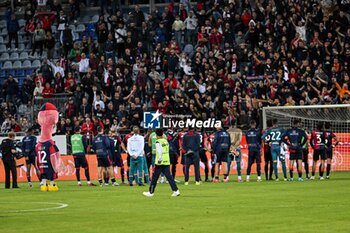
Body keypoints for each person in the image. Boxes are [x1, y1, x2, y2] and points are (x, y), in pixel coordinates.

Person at [143, 128, 180, 197]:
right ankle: (176, 190)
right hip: (166, 161)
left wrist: (159, 161)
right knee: (169, 177)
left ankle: (151, 192)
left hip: (160, 162)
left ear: (156, 135)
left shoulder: (158, 142)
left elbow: (159, 152)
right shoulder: (165, 141)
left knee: (154, 177)